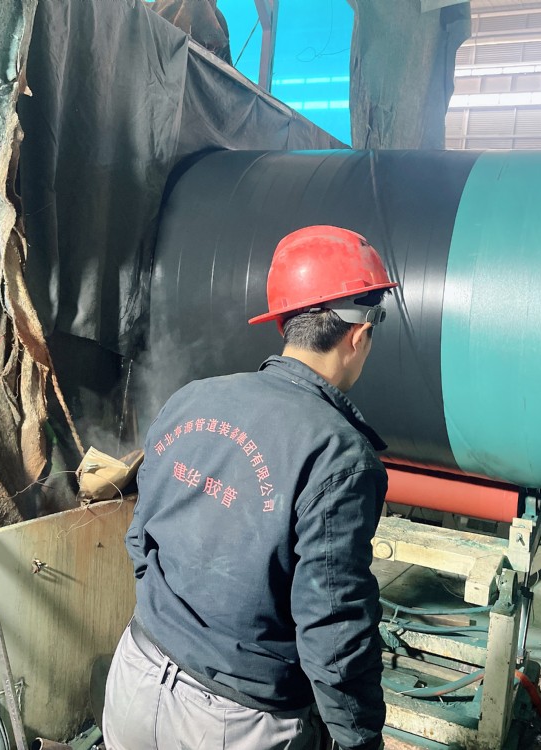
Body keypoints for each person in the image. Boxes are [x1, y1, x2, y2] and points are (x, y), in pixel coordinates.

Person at [103, 225, 398, 750]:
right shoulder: (340, 457)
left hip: (135, 679)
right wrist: (359, 739)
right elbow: (333, 630)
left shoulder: (191, 399)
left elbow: (139, 538)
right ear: (358, 335)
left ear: (285, 323)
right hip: (232, 726)